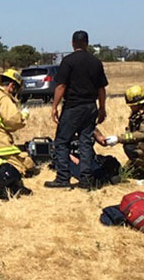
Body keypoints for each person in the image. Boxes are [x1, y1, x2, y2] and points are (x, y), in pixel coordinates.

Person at [46, 30, 108, 189]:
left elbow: (61, 86)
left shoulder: (68, 61)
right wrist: (102, 109)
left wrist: (54, 107)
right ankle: (86, 179)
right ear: (87, 43)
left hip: (73, 106)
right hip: (90, 107)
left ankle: (62, 177)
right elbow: (101, 89)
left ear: (72, 43)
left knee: (61, 141)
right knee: (86, 142)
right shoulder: (95, 62)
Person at [0, 69, 35, 199]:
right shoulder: (4, 99)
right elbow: (12, 121)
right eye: (15, 88)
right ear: (11, 85)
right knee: (27, 164)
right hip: (2, 144)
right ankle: (0, 180)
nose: (15, 92)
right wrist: (24, 116)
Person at [96, 85, 144, 179]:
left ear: (138, 103)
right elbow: (132, 131)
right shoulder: (138, 112)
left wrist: (119, 139)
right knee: (128, 171)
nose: (130, 107)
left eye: (131, 105)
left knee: (130, 148)